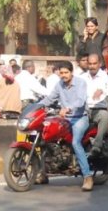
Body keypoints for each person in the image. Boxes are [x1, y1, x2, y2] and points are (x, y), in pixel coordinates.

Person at [37, 61, 93, 191]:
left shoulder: (80, 83)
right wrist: (36, 106)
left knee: (75, 143)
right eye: (61, 73)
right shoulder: (59, 85)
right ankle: (43, 173)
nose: (63, 75)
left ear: (71, 72)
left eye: (66, 72)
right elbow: (50, 98)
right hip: (65, 118)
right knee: (46, 138)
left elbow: (80, 101)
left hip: (79, 118)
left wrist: (68, 108)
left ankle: (87, 177)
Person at [83, 53, 108, 155]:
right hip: (84, 109)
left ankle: (97, 145)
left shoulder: (104, 77)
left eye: (94, 64)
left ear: (99, 64)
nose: (92, 66)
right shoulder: (82, 77)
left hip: (98, 109)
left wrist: (101, 91)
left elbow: (107, 94)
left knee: (105, 116)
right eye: (90, 64)